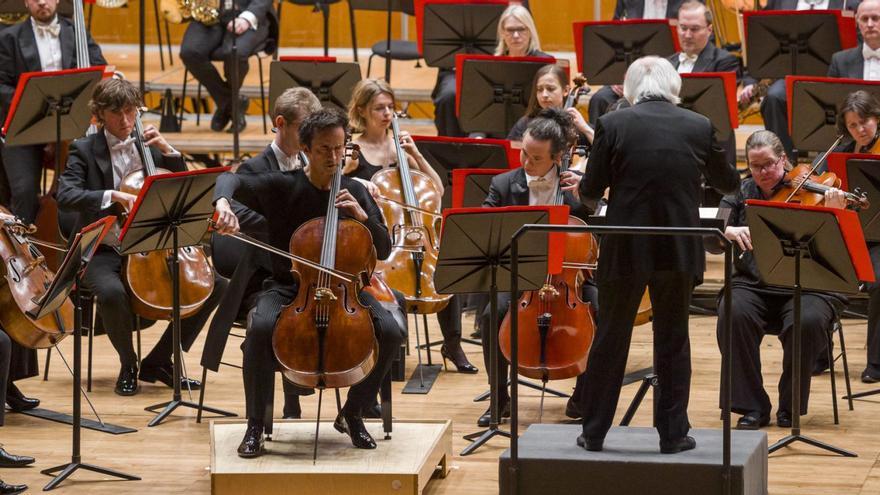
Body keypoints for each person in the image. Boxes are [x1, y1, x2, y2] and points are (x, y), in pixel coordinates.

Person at [212, 108, 405, 457]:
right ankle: (255, 425)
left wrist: (364, 218)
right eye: (324, 150)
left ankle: (353, 414)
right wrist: (223, 202)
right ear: (306, 148)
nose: (333, 157)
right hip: (289, 288)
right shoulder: (282, 186)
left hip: (347, 290)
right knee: (258, 331)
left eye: (339, 149)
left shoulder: (355, 193)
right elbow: (232, 179)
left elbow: (385, 248)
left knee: (392, 331)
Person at [577, 56, 740, 453]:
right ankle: (672, 434)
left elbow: (590, 191)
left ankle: (594, 431)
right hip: (677, 245)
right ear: (674, 87)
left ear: (632, 89)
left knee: (612, 336)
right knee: (673, 339)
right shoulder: (698, 125)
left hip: (626, 245)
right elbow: (728, 183)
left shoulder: (612, 123)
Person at [57, 77, 226, 396]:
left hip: (153, 244)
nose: (126, 121)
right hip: (106, 247)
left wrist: (169, 150)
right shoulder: (84, 149)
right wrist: (112, 195)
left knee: (216, 286)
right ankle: (129, 363)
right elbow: (66, 194)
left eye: (132, 112)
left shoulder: (150, 147)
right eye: (117, 114)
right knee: (110, 293)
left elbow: (181, 186)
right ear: (99, 115)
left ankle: (160, 360)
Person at [715, 130, 847, 429]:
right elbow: (713, 233)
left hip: (809, 286)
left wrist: (835, 214)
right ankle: (752, 407)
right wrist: (727, 231)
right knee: (733, 312)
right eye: (755, 165)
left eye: (769, 164)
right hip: (753, 284)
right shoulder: (741, 190)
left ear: (784, 160)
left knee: (807, 321)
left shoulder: (814, 190)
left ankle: (790, 406)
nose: (762, 173)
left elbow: (841, 248)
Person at [341, 79, 476, 373]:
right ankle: (392, 347)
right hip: (375, 236)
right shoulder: (353, 149)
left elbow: (437, 190)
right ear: (362, 110)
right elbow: (338, 190)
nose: (387, 113)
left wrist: (415, 156)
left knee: (444, 271)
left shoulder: (400, 147)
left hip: (412, 234)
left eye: (391, 107)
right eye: (379, 108)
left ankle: (452, 345)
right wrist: (351, 175)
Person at [204, 87, 322, 419]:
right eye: (303, 129)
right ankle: (282, 404)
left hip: (303, 268)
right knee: (282, 318)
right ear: (280, 123)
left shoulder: (308, 162)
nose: (308, 138)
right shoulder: (253, 168)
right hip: (262, 274)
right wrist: (286, 227)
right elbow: (242, 214)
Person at [481, 108, 597, 426]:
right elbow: (484, 225)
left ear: (558, 157)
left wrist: (588, 194)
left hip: (568, 277)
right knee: (492, 314)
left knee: (600, 309)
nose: (526, 164)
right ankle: (499, 397)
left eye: (535, 158)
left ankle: (583, 398)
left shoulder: (577, 189)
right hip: (520, 275)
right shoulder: (504, 185)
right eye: (524, 154)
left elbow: (597, 233)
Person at [0, 0, 106, 224]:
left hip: (68, 126)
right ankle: (22, 254)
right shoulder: (8, 38)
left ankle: (70, 246)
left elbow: (98, 69)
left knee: (80, 188)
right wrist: (31, 102)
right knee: (24, 191)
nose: (41, 2)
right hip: (23, 127)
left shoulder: (77, 33)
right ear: (26, 2)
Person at [591, 1, 737, 127]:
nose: (687, 35)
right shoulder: (668, 62)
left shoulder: (725, 61)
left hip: (696, 130)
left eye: (694, 29)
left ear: (709, 30)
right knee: (605, 99)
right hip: (665, 126)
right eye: (683, 28)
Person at [747, 0, 862, 160]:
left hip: (836, 72)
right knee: (773, 97)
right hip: (791, 74)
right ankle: (783, 165)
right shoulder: (780, 2)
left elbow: (861, 40)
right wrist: (750, 80)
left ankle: (842, 159)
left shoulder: (849, 2)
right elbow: (763, 39)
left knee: (846, 99)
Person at [431, 4, 548, 137]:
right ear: (502, 33)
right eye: (510, 30)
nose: (516, 35)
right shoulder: (492, 65)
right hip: (495, 129)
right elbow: (481, 109)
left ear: (530, 31)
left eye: (521, 29)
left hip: (532, 130)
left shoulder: (543, 64)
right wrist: (478, 134)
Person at [833, 91, 880, 383]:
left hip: (878, 239)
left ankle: (876, 361)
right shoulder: (847, 153)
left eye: (864, 122)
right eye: (852, 125)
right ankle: (818, 354)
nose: (859, 130)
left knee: (879, 282)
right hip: (852, 235)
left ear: (877, 118)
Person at [179, 0, 277, 133]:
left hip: (249, 14)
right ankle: (231, 103)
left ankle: (225, 105)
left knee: (234, 52)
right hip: (211, 13)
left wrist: (246, 19)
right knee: (190, 52)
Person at [507, 64, 594, 145]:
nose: (544, 95)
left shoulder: (577, 125)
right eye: (540, 89)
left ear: (566, 91)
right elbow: (510, 153)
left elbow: (604, 152)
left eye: (550, 89)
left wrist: (585, 129)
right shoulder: (525, 123)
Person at [828, 0, 880, 80]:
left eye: (875, 18)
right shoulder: (839, 61)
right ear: (857, 22)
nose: (870, 24)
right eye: (864, 19)